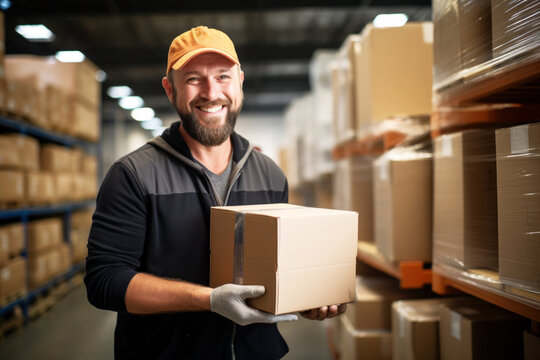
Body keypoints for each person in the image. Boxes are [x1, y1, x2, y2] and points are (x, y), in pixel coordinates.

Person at [85, 26, 346, 360]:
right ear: (170, 89)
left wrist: (307, 299)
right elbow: (105, 280)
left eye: (223, 76)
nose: (211, 92)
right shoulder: (133, 175)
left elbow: (277, 267)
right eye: (194, 79)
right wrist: (208, 300)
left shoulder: (269, 174)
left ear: (240, 81)